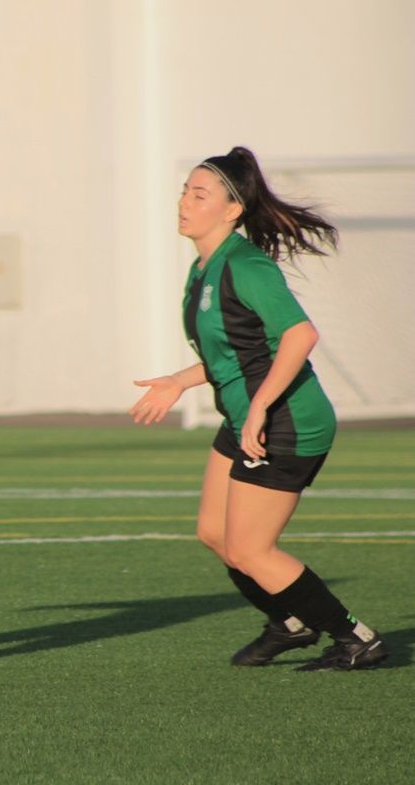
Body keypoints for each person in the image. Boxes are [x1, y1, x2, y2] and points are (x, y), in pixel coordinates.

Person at [131, 146, 387, 671]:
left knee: (251, 549)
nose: (183, 201)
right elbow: (239, 352)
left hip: (286, 422)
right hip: (248, 418)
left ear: (231, 210)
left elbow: (299, 335)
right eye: (185, 190)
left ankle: (355, 637)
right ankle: (290, 622)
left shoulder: (245, 265)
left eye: (198, 194)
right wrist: (179, 381)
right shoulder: (204, 268)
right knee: (214, 533)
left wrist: (259, 409)